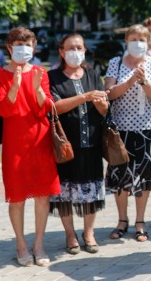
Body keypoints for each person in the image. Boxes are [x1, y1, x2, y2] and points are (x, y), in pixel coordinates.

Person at [0, 27, 61, 267]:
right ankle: (21, 243)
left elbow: (46, 108)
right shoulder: (0, 75)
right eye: (18, 44)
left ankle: (38, 243)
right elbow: (3, 110)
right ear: (9, 48)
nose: (23, 49)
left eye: (28, 44)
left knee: (42, 196)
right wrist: (15, 84)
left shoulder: (41, 72)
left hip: (40, 140)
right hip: (15, 143)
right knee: (17, 196)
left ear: (34, 46)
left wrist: (39, 89)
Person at [48, 34, 109, 254]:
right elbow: (55, 106)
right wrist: (84, 97)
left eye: (79, 47)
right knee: (65, 191)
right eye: (71, 47)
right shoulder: (52, 76)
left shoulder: (92, 74)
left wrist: (102, 105)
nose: (76, 51)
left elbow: (104, 110)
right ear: (62, 51)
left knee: (91, 190)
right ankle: (70, 235)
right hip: (65, 143)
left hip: (91, 142)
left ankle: (89, 233)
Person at [104, 24, 151, 242]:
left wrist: (144, 81)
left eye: (142, 39)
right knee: (120, 176)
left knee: (144, 178)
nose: (138, 43)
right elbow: (109, 94)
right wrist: (130, 81)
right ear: (126, 41)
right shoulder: (116, 63)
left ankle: (140, 221)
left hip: (148, 130)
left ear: (148, 42)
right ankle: (122, 220)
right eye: (134, 39)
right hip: (120, 132)